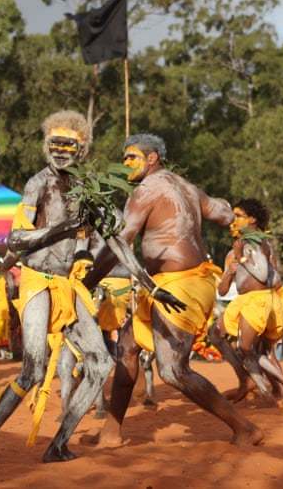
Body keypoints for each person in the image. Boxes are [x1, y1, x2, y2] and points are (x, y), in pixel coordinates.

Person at [85, 132, 263, 450]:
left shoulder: (145, 190)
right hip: (173, 285)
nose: (125, 163)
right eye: (124, 158)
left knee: (172, 370)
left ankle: (244, 427)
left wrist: (86, 281)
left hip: (181, 286)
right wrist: (244, 226)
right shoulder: (186, 186)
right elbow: (223, 212)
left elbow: (120, 242)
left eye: (132, 157)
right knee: (126, 346)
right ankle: (111, 432)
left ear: (152, 158)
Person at [0, 111, 117, 466]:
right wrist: (60, 230)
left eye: (68, 144)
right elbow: (16, 239)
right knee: (32, 368)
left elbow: (98, 241)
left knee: (101, 363)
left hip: (67, 286)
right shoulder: (38, 184)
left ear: (82, 150)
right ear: (45, 146)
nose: (61, 151)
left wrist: (147, 284)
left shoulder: (85, 190)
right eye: (55, 144)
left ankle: (59, 443)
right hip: (35, 281)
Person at [208, 198, 283, 405]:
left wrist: (241, 258)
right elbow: (222, 289)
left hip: (262, 300)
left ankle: (281, 387)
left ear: (252, 219)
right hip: (244, 300)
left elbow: (266, 274)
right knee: (217, 334)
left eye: (238, 217)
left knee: (255, 349)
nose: (233, 222)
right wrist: (230, 272)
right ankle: (258, 385)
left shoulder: (258, 244)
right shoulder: (234, 252)